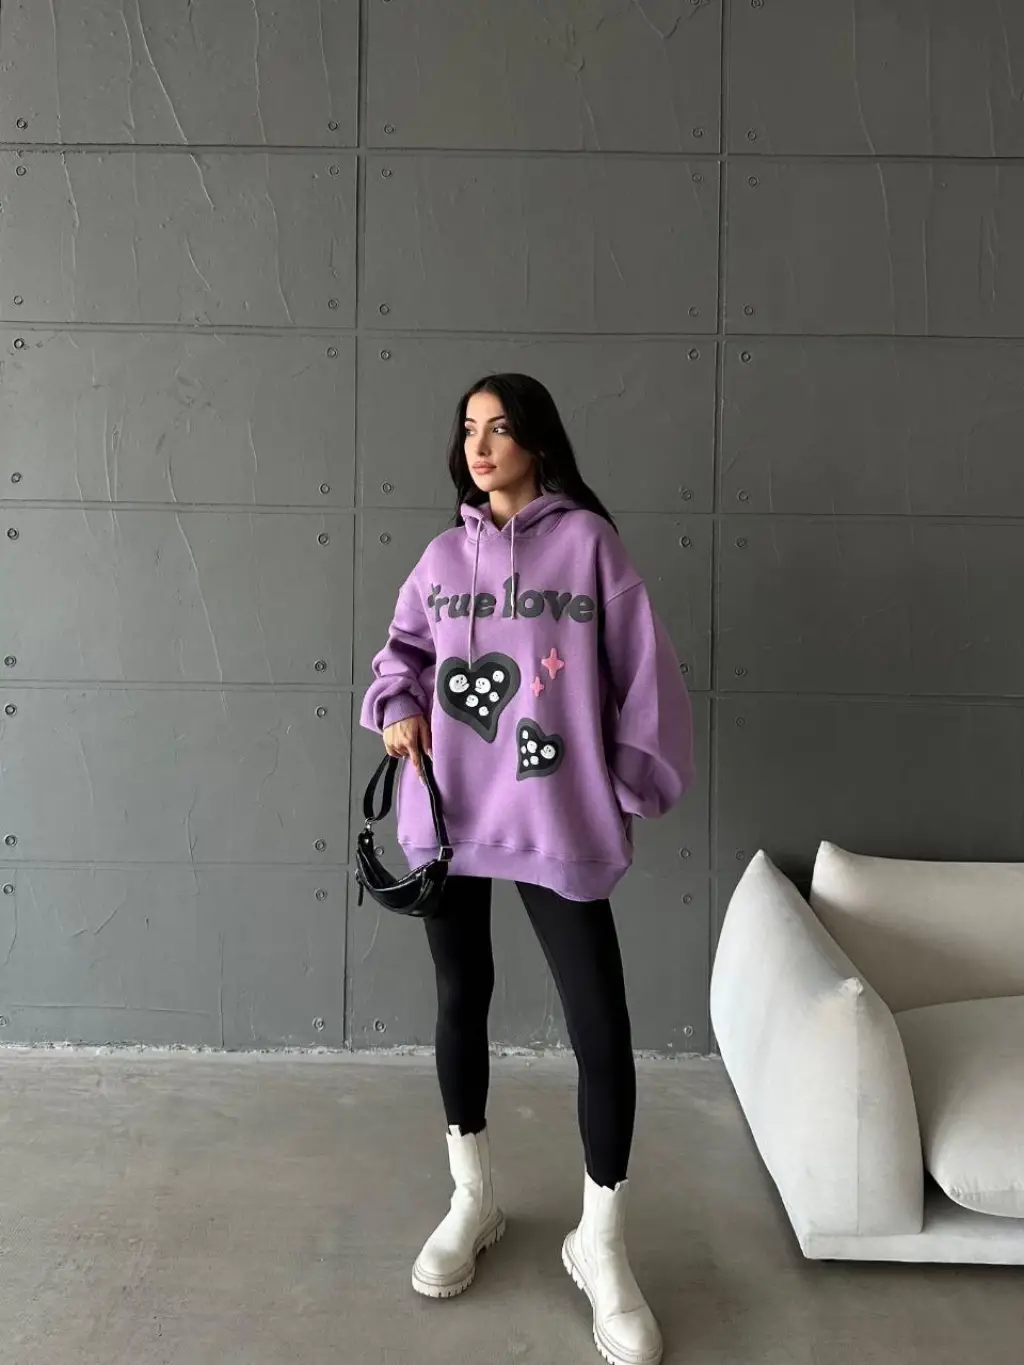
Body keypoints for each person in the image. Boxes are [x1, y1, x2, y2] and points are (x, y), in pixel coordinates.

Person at [360, 372, 694, 1365]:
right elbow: (398, 656)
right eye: (469, 427)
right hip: (450, 812)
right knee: (460, 999)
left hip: (554, 817)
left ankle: (601, 1242)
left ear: (538, 441)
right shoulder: (440, 557)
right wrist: (398, 709)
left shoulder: (589, 548)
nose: (481, 444)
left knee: (600, 1025)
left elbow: (648, 676)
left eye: (500, 427)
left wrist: (622, 784)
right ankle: (473, 1197)